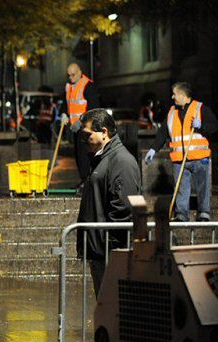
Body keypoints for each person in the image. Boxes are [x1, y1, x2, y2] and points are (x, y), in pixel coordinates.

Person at [76, 109, 141, 297]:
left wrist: (109, 245)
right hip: (100, 249)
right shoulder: (102, 158)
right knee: (106, 305)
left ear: (104, 132)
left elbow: (124, 207)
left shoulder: (121, 160)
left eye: (87, 134)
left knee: (113, 305)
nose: (83, 139)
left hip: (109, 251)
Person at [145, 82, 216, 221]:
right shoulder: (172, 112)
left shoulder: (201, 109)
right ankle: (181, 215)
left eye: (175, 94)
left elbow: (214, 126)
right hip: (179, 158)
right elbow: (163, 133)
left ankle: (204, 213)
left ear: (183, 95)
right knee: (181, 189)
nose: (172, 97)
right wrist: (153, 149)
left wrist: (202, 126)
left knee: (203, 187)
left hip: (199, 157)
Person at [59, 63, 100, 191]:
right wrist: (64, 113)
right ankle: (84, 180)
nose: (70, 77)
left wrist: (81, 121)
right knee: (78, 155)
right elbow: (68, 103)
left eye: (73, 74)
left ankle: (88, 181)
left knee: (85, 155)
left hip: (87, 129)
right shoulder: (69, 87)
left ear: (80, 72)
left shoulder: (88, 86)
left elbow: (93, 108)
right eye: (69, 75)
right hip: (76, 128)